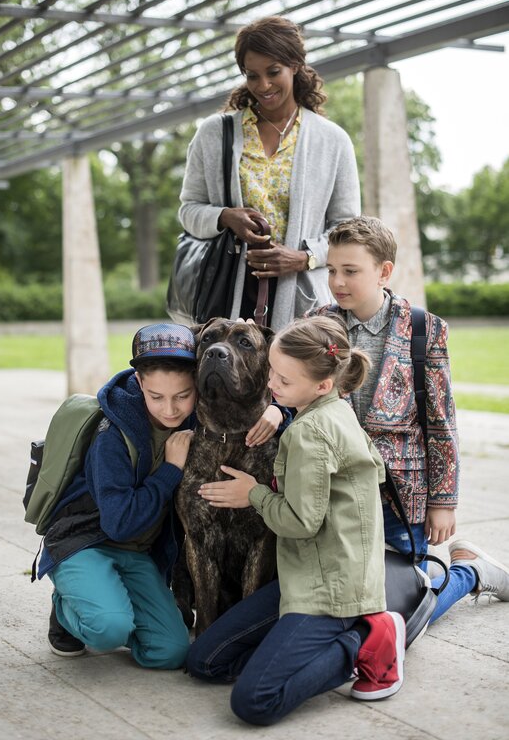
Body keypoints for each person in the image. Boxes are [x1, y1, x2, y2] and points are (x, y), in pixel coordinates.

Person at [186, 315, 406, 726]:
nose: (271, 384)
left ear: (321, 385)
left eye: (283, 380)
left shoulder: (308, 434)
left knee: (254, 702)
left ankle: (364, 642)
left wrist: (252, 494)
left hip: (330, 590)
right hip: (303, 575)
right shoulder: (335, 409)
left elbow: (300, 523)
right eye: (272, 371)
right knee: (204, 661)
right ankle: (307, 647)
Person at [39, 323, 286, 666]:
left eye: (182, 396)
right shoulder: (112, 437)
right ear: (140, 383)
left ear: (197, 384)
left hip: (138, 555)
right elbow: (120, 525)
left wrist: (280, 409)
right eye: (156, 397)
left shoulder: (193, 418)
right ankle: (69, 607)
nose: (170, 409)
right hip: (88, 542)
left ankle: (113, 605)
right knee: (107, 628)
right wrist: (170, 470)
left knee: (171, 652)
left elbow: (274, 394)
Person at [311, 215, 509, 616]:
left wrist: (443, 501)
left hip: (401, 496)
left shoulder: (423, 329)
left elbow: (440, 423)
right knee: (344, 605)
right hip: (335, 492)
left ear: (384, 272)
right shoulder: (317, 325)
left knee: (400, 614)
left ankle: (469, 572)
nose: (337, 282)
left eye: (350, 271)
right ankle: (438, 573)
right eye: (331, 270)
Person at [178, 15, 360, 331]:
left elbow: (347, 228)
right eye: (252, 75)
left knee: (294, 364)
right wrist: (225, 216)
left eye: (273, 72)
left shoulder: (333, 140)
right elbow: (188, 211)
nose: (263, 85)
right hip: (226, 293)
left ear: (295, 65)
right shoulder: (214, 134)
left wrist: (304, 258)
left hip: (303, 299)